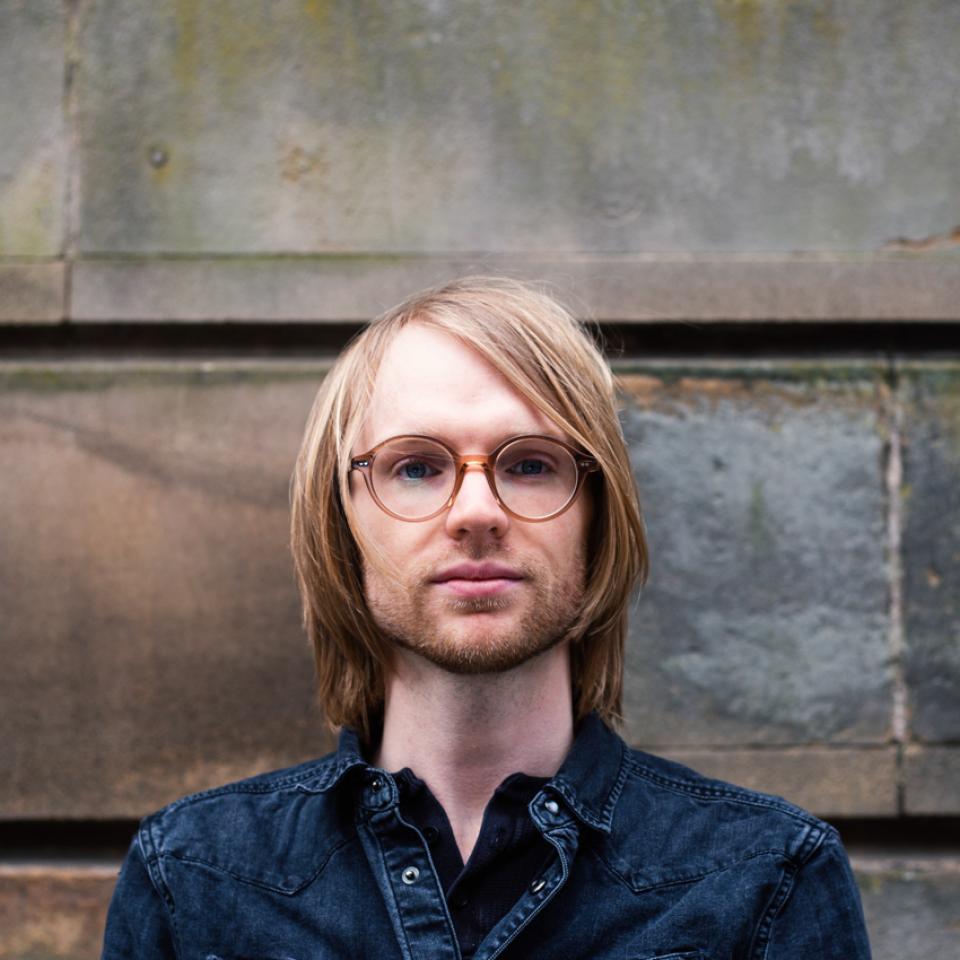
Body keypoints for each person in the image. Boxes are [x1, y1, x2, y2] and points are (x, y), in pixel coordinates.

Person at [102, 277, 872, 959]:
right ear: (343, 521)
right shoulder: (195, 877)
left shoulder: (766, 877)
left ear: (599, 518)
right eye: (415, 467)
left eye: (530, 464)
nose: (476, 511)